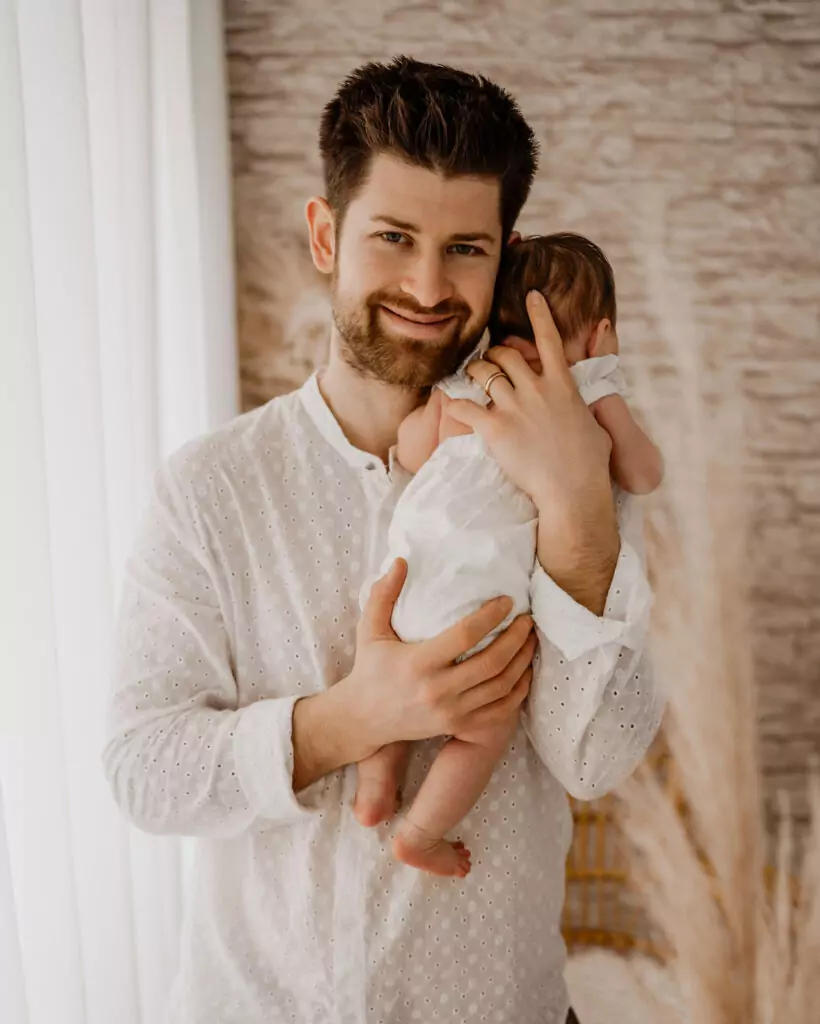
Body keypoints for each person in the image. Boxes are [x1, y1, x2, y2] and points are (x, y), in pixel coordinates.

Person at [103, 56, 664, 1024]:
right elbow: (143, 773)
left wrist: (576, 510)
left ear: (508, 261)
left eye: (464, 249)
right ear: (326, 234)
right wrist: (348, 717)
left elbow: (595, 762)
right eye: (393, 237)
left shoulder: (569, 460)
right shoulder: (213, 486)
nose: (425, 283)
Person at [353, 232, 663, 879]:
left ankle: (377, 779)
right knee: (483, 725)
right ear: (601, 331)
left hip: (409, 576)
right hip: (481, 598)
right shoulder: (586, 387)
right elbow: (641, 472)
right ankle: (419, 829)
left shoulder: (466, 379)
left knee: (389, 684)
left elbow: (411, 449)